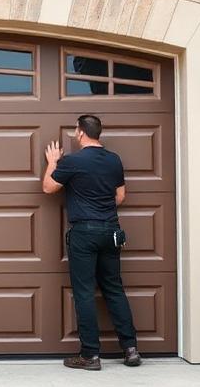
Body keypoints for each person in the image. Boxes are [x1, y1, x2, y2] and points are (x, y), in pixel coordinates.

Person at [42, 114, 141, 371]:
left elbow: (48, 188)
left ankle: (90, 356)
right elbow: (120, 196)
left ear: (80, 133)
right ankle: (130, 349)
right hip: (110, 231)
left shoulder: (73, 161)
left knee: (85, 293)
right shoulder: (114, 160)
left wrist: (52, 162)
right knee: (114, 289)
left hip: (84, 233)